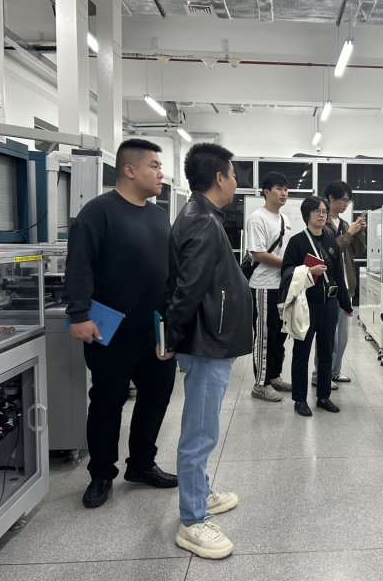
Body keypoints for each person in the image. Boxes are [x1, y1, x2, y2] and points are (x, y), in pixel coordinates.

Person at [64, 138, 178, 509]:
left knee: (155, 397)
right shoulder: (98, 212)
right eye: (154, 166)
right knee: (107, 402)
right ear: (129, 170)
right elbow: (79, 264)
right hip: (109, 328)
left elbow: (168, 271)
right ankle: (101, 474)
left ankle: (142, 464)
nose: (161, 174)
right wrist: (78, 314)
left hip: (154, 328)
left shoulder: (158, 216)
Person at [159, 143, 252, 559]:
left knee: (203, 427)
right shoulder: (202, 221)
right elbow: (188, 288)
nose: (235, 183)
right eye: (233, 175)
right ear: (219, 177)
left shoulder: (204, 216)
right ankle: (192, 520)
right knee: (199, 432)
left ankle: (200, 493)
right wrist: (171, 336)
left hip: (209, 338)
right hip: (204, 342)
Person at [282, 196, 353, 416]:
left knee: (326, 352)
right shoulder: (297, 242)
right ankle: (300, 399)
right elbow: (286, 272)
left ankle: (323, 396)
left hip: (328, 305)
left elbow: (338, 276)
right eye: (317, 211)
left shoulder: (331, 242)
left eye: (324, 211)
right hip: (306, 305)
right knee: (301, 352)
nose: (321, 215)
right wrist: (307, 271)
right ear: (307, 215)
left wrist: (346, 304)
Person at [310, 181, 366, 390]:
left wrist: (358, 231)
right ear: (331, 198)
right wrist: (350, 232)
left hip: (345, 287)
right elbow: (331, 251)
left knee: (342, 337)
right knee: (327, 337)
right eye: (343, 199)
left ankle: (334, 371)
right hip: (328, 288)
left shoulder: (343, 224)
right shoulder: (322, 225)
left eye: (348, 201)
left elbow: (357, 250)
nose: (346, 204)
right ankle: (319, 375)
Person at [246, 172, 292, 401]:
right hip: (263, 287)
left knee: (279, 336)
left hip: (282, 286)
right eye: (279, 188)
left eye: (286, 189)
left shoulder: (285, 219)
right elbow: (259, 254)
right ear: (266, 192)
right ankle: (260, 384)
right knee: (264, 336)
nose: (284, 193)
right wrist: (289, 264)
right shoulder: (257, 218)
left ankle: (274, 376)